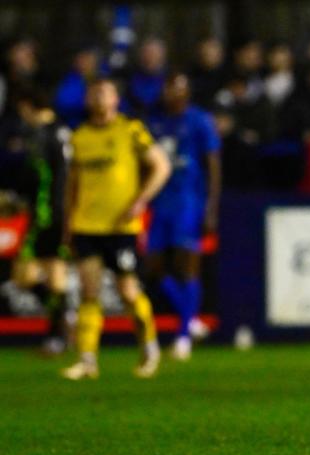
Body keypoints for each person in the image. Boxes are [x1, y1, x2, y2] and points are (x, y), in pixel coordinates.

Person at [60, 78, 170, 380]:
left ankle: (149, 346)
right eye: (93, 92)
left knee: (129, 293)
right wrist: (68, 223)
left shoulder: (130, 130)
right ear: (86, 99)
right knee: (89, 292)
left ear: (115, 99)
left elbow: (161, 166)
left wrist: (140, 201)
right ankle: (87, 360)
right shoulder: (79, 137)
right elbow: (73, 185)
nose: (98, 97)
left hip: (122, 227)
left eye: (105, 92)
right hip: (86, 225)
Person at [146, 72, 221, 360]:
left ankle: (182, 336)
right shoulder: (155, 121)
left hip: (188, 203)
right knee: (153, 267)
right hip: (159, 202)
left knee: (186, 265)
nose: (171, 93)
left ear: (187, 91)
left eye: (177, 88)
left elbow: (213, 165)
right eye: (168, 87)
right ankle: (191, 321)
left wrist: (211, 208)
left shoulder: (199, 120)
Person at [3, 88, 70, 354]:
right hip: (55, 213)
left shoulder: (44, 135)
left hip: (47, 215)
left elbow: (47, 178)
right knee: (54, 277)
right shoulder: (61, 132)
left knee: (24, 276)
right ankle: (60, 331)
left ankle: (59, 330)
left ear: (28, 107)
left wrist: (18, 198)